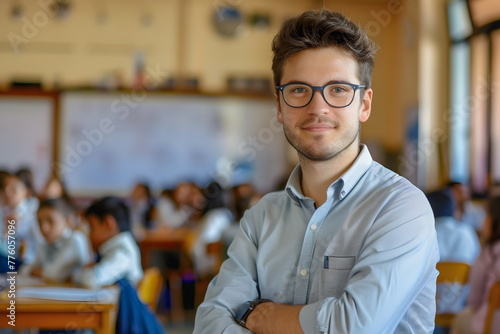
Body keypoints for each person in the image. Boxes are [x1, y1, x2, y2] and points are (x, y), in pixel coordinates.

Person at [194, 9, 439, 334]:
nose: (317, 107)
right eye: (298, 90)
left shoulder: (401, 208)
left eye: (338, 89)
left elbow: (353, 328)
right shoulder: (260, 218)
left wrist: (260, 316)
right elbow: (209, 322)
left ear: (364, 104)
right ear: (279, 107)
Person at [426, 189, 480, 334]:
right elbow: (477, 267)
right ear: (453, 208)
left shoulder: (425, 234)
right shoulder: (467, 232)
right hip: (461, 307)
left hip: (429, 311)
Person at [451, 194, 500, 334]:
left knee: (460, 319)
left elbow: (474, 301)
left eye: (486, 216)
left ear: (493, 221)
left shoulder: (488, 256)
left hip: (490, 326)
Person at [72, 196, 143, 289]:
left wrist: (75, 275)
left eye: (92, 226)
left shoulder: (122, 252)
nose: (89, 234)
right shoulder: (116, 247)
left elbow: (92, 279)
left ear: (108, 224)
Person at [20, 197, 90, 282]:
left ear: (68, 221)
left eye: (50, 221)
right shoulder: (45, 243)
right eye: (40, 222)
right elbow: (24, 270)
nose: (43, 228)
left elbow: (55, 274)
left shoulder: (75, 239)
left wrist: (37, 271)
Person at [0, 173, 42, 267]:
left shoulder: (33, 212)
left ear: (26, 192)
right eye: (5, 187)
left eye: (13, 189)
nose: (7, 192)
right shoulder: (4, 211)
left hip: (28, 262)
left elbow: (40, 242)